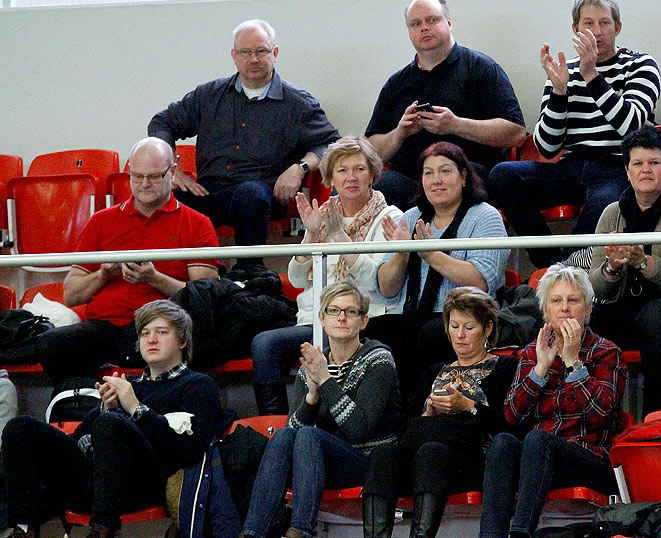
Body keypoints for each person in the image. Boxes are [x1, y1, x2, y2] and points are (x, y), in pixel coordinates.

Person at [3, 300, 223, 538]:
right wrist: (105, 409)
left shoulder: (197, 385)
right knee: (21, 427)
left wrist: (136, 409)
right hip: (95, 479)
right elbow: (78, 442)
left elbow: (186, 451)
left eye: (162, 332)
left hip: (144, 484)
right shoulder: (129, 383)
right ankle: (23, 529)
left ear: (182, 340)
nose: (151, 339)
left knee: (112, 424)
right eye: (144, 333)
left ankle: (102, 532)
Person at [148, 19, 340, 269]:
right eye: (245, 52)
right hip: (209, 192)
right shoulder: (209, 95)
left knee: (251, 195)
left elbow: (331, 144)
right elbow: (161, 123)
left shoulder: (297, 103)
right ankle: (174, 276)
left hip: (262, 195)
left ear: (275, 53)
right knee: (163, 199)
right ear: (234, 56)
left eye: (261, 51)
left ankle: (249, 274)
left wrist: (299, 168)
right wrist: (173, 168)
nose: (254, 59)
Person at [489, 0, 661, 268]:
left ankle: (567, 270)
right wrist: (558, 91)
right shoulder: (563, 70)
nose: (596, 32)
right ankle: (549, 263)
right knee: (503, 176)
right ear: (575, 29)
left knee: (606, 202)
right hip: (570, 167)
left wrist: (591, 75)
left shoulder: (640, 65)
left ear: (617, 28)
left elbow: (631, 126)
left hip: (617, 166)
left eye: (605, 23)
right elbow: (546, 147)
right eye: (588, 24)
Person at [35, 137, 219, 387]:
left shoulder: (197, 224)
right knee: (51, 344)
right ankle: (83, 403)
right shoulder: (101, 221)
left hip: (160, 326)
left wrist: (154, 278)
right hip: (105, 327)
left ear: (173, 173)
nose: (144, 184)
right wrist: (102, 275)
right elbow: (71, 295)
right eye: (137, 176)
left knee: (172, 341)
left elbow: (204, 300)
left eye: (154, 176)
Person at [250, 136, 402, 415]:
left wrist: (337, 235)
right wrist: (311, 232)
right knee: (264, 344)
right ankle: (277, 423)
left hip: (360, 322)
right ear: (330, 178)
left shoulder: (390, 217)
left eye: (359, 169)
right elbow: (296, 280)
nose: (351, 177)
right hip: (316, 320)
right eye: (342, 170)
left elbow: (377, 283)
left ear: (372, 175)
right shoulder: (323, 214)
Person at [239, 281, 402, 538]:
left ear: (364, 321)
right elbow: (292, 431)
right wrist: (313, 396)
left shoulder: (378, 359)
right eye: (333, 310)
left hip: (370, 462)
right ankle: (252, 532)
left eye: (351, 311)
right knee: (284, 435)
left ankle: (301, 530)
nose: (341, 317)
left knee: (309, 435)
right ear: (322, 318)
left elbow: (358, 430)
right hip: (318, 462)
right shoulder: (312, 367)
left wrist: (325, 382)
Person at [480, 265, 626, 538]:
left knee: (537, 440)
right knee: (503, 442)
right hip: (537, 464)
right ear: (545, 311)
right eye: (556, 301)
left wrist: (573, 363)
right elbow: (512, 414)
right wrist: (540, 369)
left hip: (589, 458)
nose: (565, 308)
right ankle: (490, 535)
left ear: (588, 309)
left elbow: (602, 414)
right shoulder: (532, 353)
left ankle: (520, 533)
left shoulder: (607, 352)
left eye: (573, 300)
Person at [361, 287, 519, 538]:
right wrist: (428, 412)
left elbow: (511, 423)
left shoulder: (507, 367)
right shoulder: (433, 371)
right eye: (454, 326)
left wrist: (468, 406)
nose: (460, 335)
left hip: (473, 460)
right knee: (384, 453)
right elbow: (405, 426)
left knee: (432, 452)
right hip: (425, 456)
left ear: (488, 329)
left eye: (469, 327)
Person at [365, 0, 526, 210]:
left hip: (466, 176)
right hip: (410, 181)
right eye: (416, 24)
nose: (424, 28)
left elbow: (516, 133)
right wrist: (399, 134)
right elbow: (372, 150)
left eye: (432, 20)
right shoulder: (397, 83)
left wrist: (456, 125)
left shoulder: (481, 68)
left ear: (448, 23)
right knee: (360, 186)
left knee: (454, 187)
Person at [374, 142, 510, 391]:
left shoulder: (485, 216)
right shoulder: (410, 217)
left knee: (431, 333)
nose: (436, 180)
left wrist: (429, 253)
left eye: (445, 171)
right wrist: (402, 255)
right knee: (376, 331)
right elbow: (387, 288)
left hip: (466, 319)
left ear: (464, 176)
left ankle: (418, 409)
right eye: (429, 173)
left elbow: (480, 281)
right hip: (413, 314)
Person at [587, 125, 661, 414]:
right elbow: (594, 286)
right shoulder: (611, 213)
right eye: (638, 164)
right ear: (627, 170)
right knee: (584, 317)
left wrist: (643, 262)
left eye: (654, 163)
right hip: (620, 310)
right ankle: (592, 414)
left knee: (656, 315)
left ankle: (654, 414)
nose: (646, 170)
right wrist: (612, 266)